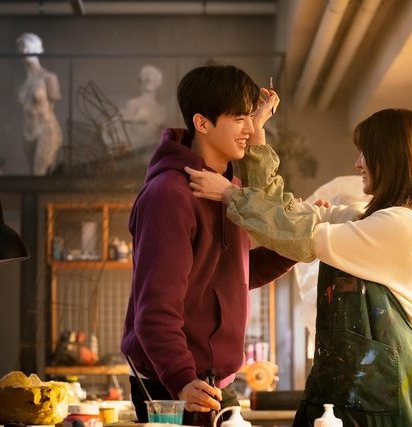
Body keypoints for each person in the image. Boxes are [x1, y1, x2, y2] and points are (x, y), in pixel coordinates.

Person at [186, 108, 412, 426]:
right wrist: (258, 134)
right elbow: (284, 215)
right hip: (345, 394)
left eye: (365, 153)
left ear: (391, 158)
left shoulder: (400, 225)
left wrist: (230, 194)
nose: (358, 163)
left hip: (380, 404)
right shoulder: (368, 217)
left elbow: (298, 235)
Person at [120, 64, 293, 425]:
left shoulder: (227, 190)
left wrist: (292, 247)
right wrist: (181, 379)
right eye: (240, 118)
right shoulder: (169, 195)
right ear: (202, 123)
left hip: (217, 383)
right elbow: (155, 308)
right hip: (174, 386)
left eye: (252, 118)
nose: (251, 130)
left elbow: (231, 276)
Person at [16, 32, 63, 175]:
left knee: (40, 172)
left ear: (37, 49)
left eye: (28, 47)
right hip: (28, 132)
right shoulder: (23, 84)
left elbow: (52, 104)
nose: (25, 51)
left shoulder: (49, 77)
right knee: (34, 176)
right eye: (22, 47)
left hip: (45, 129)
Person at [120, 64, 167, 152]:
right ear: (141, 80)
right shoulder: (133, 104)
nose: (149, 79)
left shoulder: (161, 110)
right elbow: (123, 132)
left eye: (153, 76)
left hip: (153, 151)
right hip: (135, 151)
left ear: (159, 82)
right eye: (146, 76)